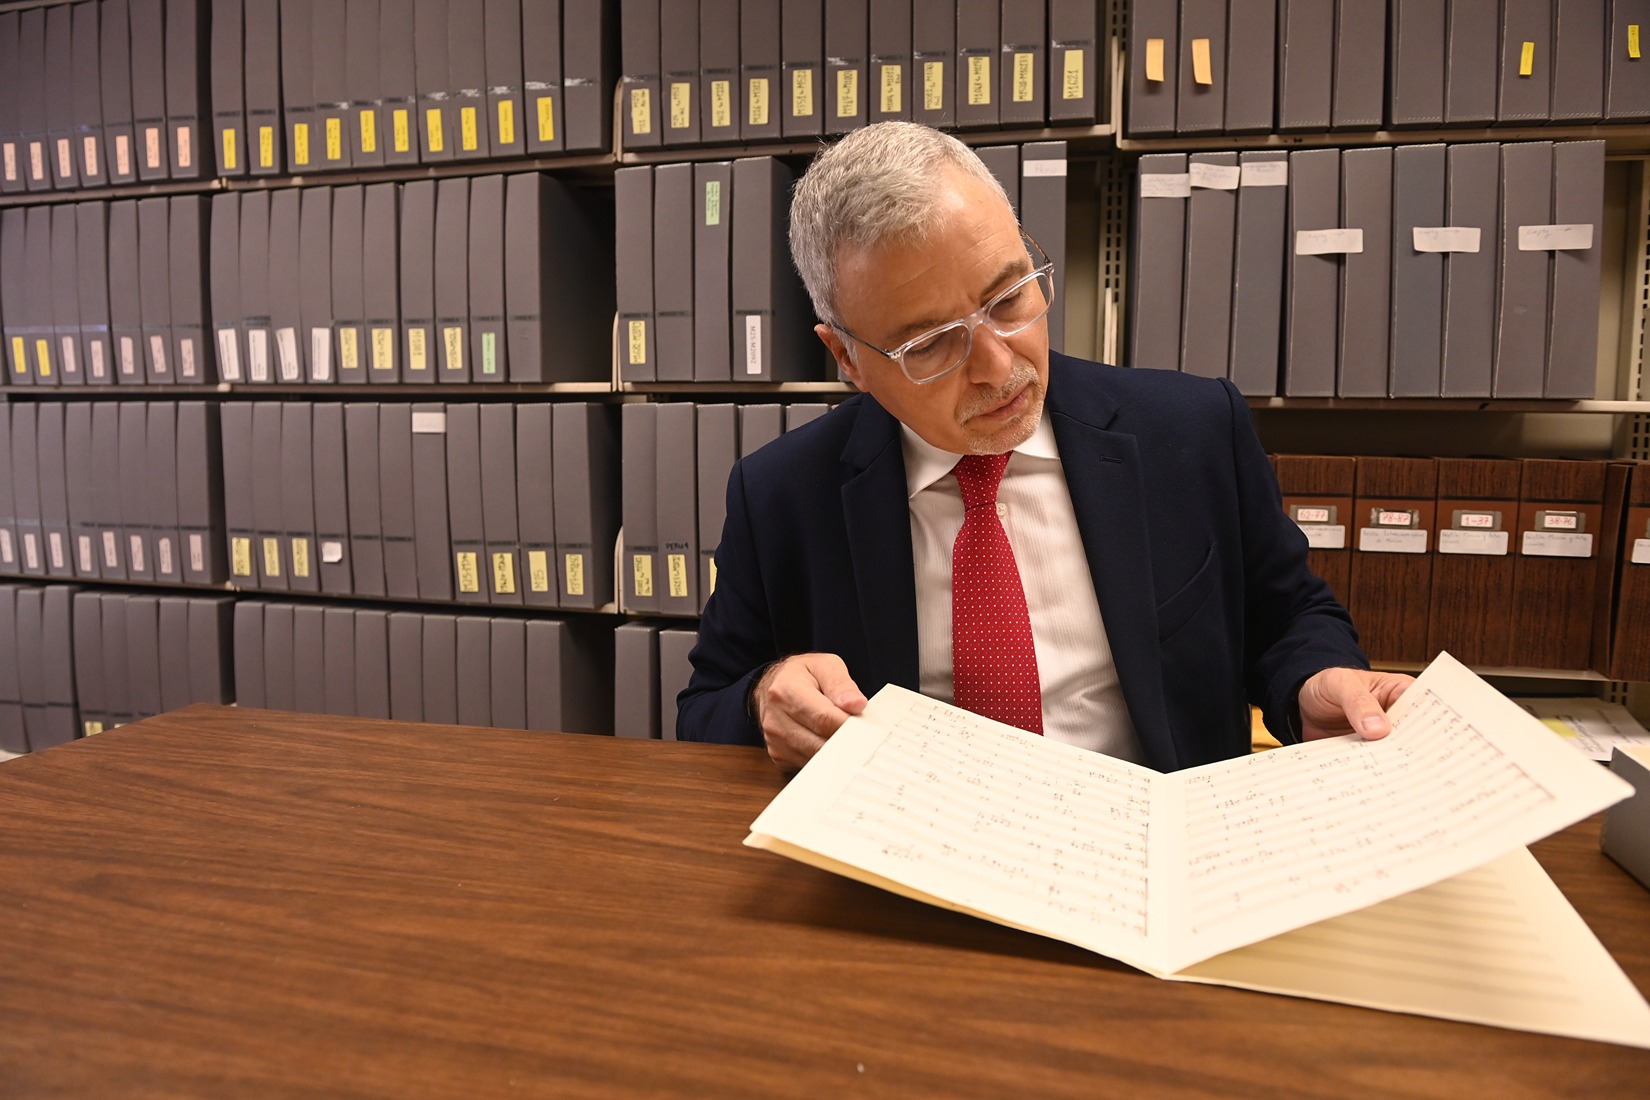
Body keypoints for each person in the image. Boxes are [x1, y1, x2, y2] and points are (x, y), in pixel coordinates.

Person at [677, 121, 1411, 770]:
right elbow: (704, 707)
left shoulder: (1188, 430)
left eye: (1008, 300)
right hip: (907, 873)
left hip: (1156, 858)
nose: (1001, 368)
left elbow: (1287, 617)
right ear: (847, 359)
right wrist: (763, 700)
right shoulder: (781, 495)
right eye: (932, 345)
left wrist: (1311, 682)